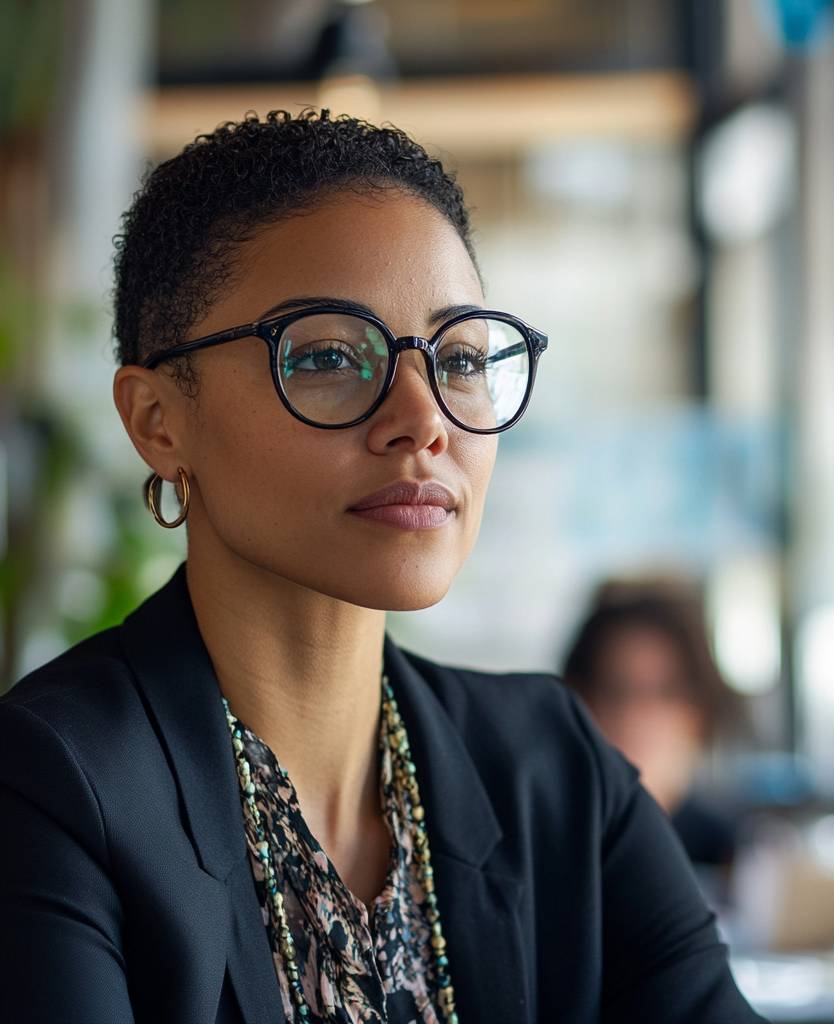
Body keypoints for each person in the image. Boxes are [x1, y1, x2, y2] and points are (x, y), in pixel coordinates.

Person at [0, 109, 766, 1024]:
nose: (424, 417)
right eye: (326, 356)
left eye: (462, 358)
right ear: (159, 422)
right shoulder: (51, 786)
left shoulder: (554, 772)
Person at [562, 579, 745, 871]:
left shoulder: (729, 855)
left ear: (701, 711)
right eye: (616, 691)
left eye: (665, 691)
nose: (636, 716)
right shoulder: (547, 847)